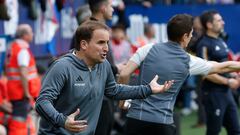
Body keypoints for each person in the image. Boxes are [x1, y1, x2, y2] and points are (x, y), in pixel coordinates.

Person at [35, 20, 173, 135]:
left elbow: (114, 91)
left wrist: (148, 89)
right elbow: (42, 102)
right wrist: (62, 121)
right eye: (101, 42)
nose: (106, 48)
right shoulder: (62, 67)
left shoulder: (103, 65)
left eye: (107, 42)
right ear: (84, 44)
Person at [118, 14, 240, 135]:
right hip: (162, 123)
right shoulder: (188, 61)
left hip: (135, 120)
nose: (192, 36)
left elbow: (124, 74)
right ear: (184, 36)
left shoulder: (148, 48)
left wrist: (122, 101)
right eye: (191, 33)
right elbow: (224, 67)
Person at [196, 10, 240, 135]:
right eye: (219, 20)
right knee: (214, 131)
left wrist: (233, 74)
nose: (223, 22)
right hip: (212, 94)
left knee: (235, 131)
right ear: (209, 25)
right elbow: (205, 73)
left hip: (226, 93)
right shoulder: (203, 44)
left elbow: (224, 65)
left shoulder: (221, 41)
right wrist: (228, 81)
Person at [5, 24, 41, 135]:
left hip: (15, 91)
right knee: (19, 121)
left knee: (23, 120)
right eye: (31, 32)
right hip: (21, 93)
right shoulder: (22, 50)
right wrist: (27, 93)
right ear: (25, 35)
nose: (32, 34)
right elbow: (23, 72)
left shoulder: (13, 47)